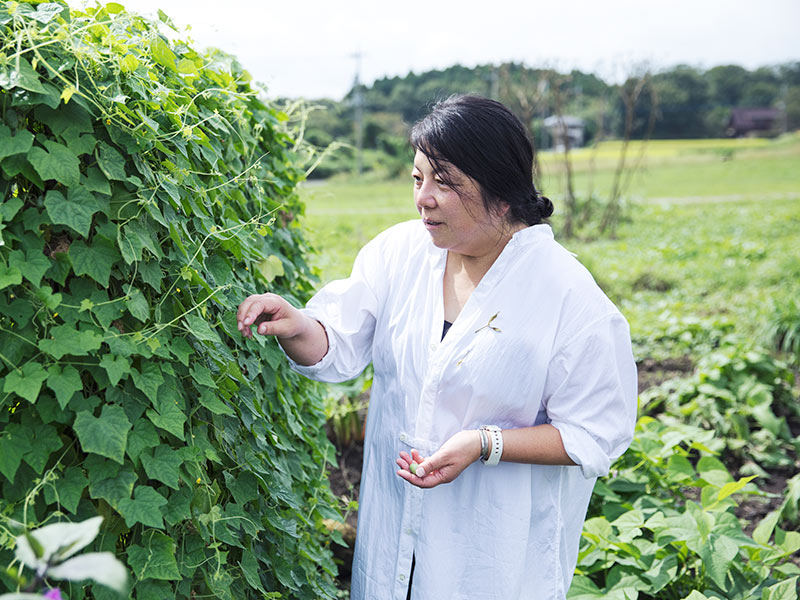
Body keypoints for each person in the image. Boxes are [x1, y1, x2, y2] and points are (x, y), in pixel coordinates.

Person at [236, 94, 638, 600]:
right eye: (417, 178)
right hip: (393, 532)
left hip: (493, 557)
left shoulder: (569, 298)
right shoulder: (400, 253)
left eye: (444, 182)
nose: (423, 197)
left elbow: (595, 433)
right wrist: (295, 325)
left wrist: (485, 444)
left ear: (502, 192)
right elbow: (338, 343)